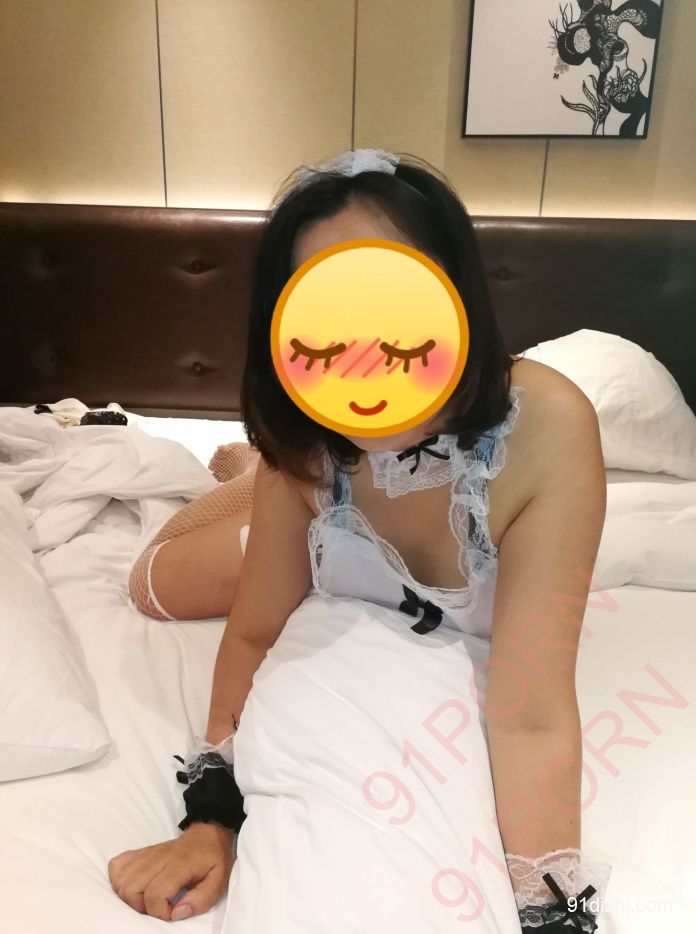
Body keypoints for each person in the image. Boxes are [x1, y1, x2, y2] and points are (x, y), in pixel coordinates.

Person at [109, 148, 611, 930]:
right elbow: (253, 633)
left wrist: (552, 914)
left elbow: (532, 713)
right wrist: (212, 818)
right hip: (302, 489)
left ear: (455, 294)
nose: (364, 350)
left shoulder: (547, 428)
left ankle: (251, 478)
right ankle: (244, 476)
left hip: (331, 496)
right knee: (152, 585)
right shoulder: (310, 437)